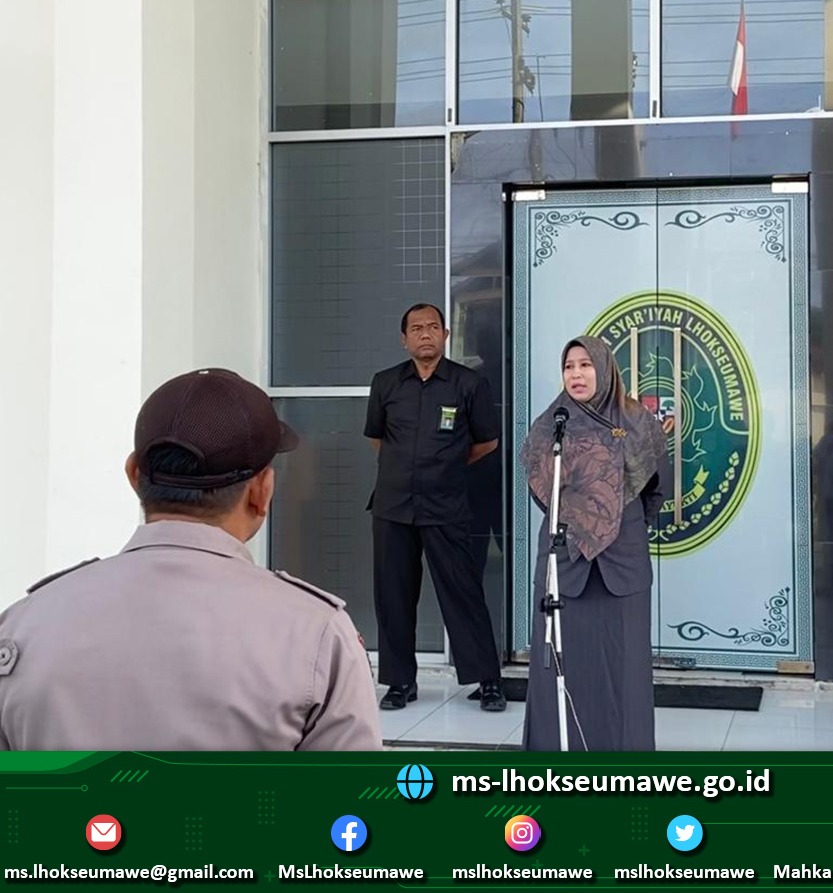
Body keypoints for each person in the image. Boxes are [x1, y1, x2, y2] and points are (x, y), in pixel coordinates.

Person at [0, 368, 382, 751]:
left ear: (133, 475)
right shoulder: (316, 634)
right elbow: (348, 788)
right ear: (261, 491)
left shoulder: (22, 625)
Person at [520, 336, 668, 751]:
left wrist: (617, 521)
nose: (577, 374)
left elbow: (656, 488)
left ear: (604, 368)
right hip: (564, 563)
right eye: (569, 366)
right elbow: (542, 491)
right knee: (561, 665)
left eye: (586, 365)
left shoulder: (638, 423)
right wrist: (582, 519)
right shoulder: (550, 425)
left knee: (624, 671)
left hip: (623, 564)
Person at [365, 304, 506, 712]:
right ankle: (399, 683)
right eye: (416, 328)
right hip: (393, 506)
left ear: (445, 335)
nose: (424, 334)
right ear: (404, 339)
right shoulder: (385, 383)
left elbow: (487, 442)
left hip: (446, 504)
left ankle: (488, 681)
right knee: (393, 596)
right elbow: (376, 438)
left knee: (463, 592)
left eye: (432, 327)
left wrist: (446, 465)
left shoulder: (469, 383)